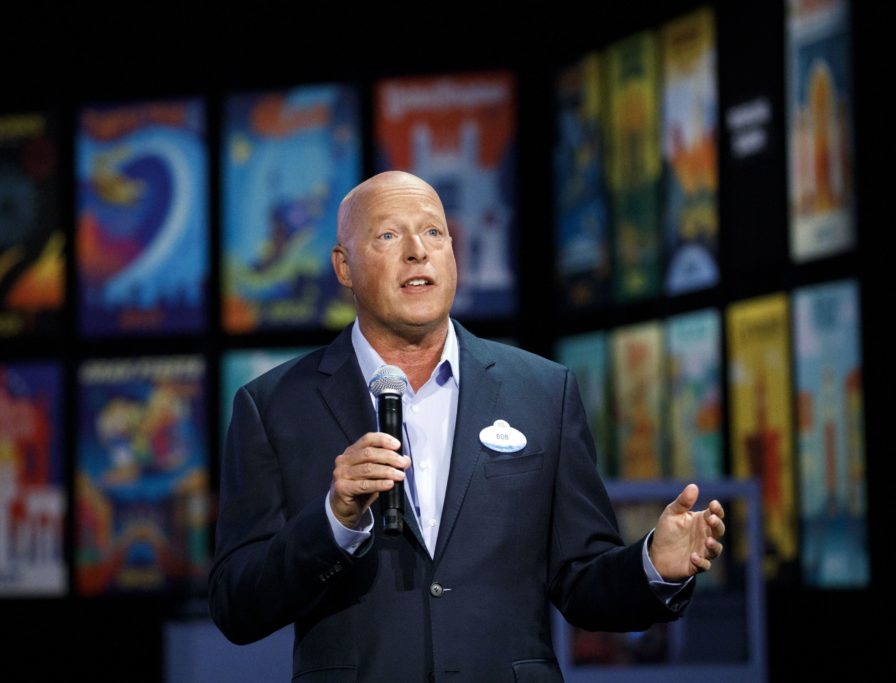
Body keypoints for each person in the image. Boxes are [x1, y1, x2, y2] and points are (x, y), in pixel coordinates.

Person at [209, 171, 726, 682]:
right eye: (388, 235)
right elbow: (237, 605)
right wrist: (333, 521)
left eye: (434, 232)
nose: (418, 251)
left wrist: (653, 564)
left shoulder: (543, 391)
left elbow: (582, 580)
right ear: (344, 266)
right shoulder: (273, 406)